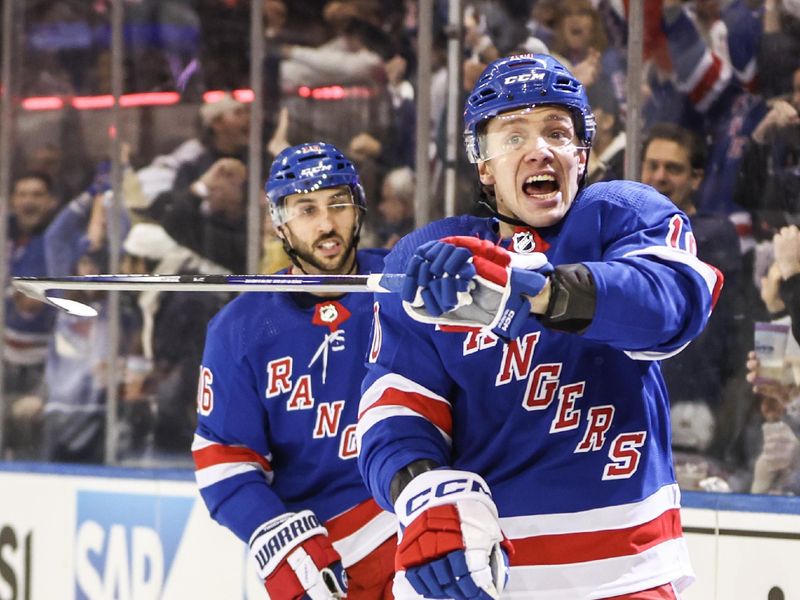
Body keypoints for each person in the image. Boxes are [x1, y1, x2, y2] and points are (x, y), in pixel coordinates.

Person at [357, 54, 722, 599]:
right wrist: (424, 489)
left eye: (557, 131)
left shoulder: (621, 214)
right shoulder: (431, 259)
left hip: (625, 574)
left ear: (581, 153)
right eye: (513, 136)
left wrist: (541, 289)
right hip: (486, 573)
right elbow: (394, 405)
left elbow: (671, 305)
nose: (539, 149)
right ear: (483, 165)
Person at [192, 143, 398, 599]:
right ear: (278, 222)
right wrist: (273, 533)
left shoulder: (403, 285)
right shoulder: (239, 331)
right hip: (329, 562)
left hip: (419, 527)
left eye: (337, 204)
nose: (326, 225)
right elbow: (224, 461)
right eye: (306, 209)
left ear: (358, 205)